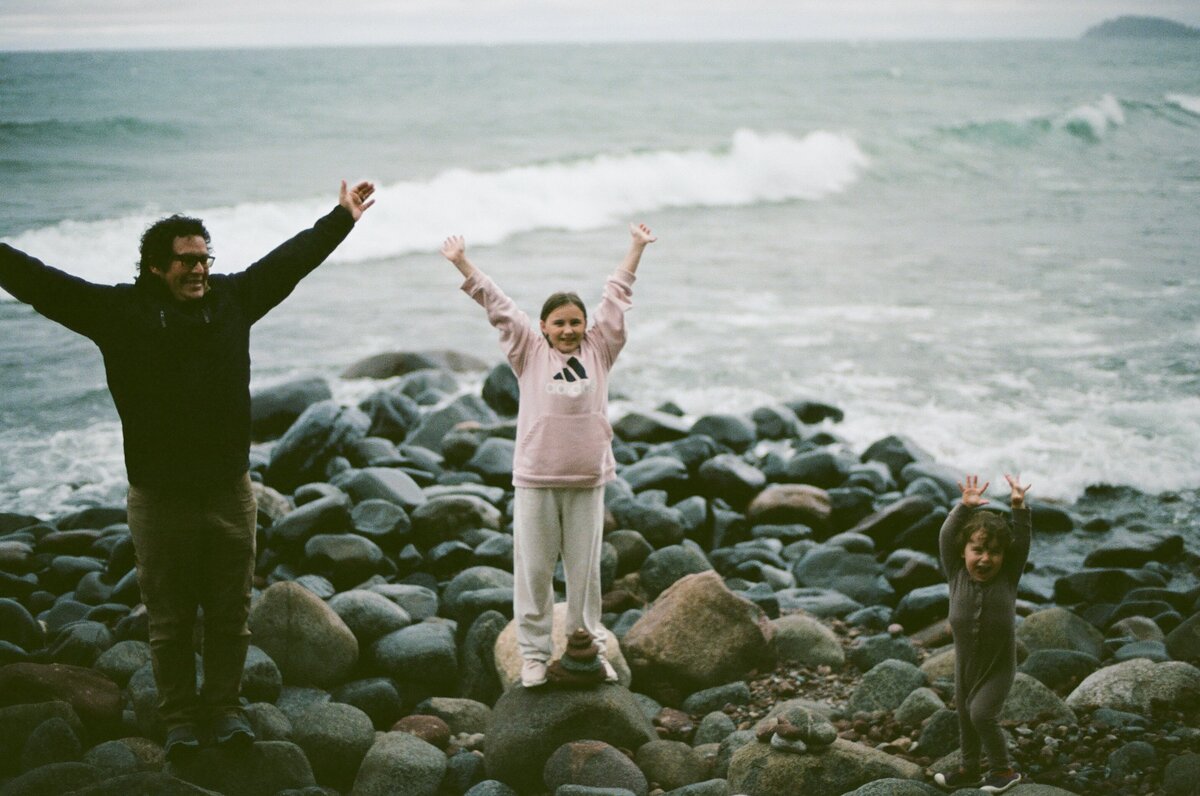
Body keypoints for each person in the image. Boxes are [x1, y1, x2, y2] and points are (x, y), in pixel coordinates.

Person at [0, 180, 376, 756]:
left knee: (231, 613)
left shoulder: (232, 300)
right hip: (159, 497)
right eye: (186, 260)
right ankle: (178, 717)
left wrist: (341, 217)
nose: (199, 269)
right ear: (155, 267)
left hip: (229, 491)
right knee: (170, 619)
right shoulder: (116, 313)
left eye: (204, 258)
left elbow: (290, 262)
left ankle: (225, 708)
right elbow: (41, 283)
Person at [440, 223, 655, 687]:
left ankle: (588, 650)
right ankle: (534, 657)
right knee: (534, 573)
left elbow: (616, 298)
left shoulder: (600, 349)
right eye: (559, 323)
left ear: (586, 326)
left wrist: (635, 247)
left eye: (575, 322)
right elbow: (498, 305)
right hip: (536, 479)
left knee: (585, 576)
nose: (568, 330)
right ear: (543, 327)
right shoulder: (529, 351)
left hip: (586, 481)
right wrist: (462, 263)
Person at [934, 473, 1032, 793]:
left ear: (1004, 556)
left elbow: (1022, 542)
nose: (986, 558)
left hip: (998, 667)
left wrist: (1019, 507)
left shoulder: (1008, 577)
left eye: (994, 552)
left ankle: (1003, 770)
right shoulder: (955, 573)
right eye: (977, 549)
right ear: (964, 551)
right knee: (965, 716)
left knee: (981, 714)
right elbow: (946, 535)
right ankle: (970, 769)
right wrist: (964, 507)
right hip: (965, 666)